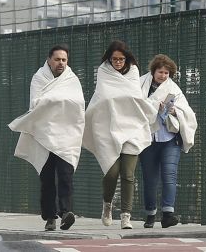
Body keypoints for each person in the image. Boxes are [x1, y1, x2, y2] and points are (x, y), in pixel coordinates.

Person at [8, 44, 85, 232]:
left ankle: (66, 212)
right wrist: (58, 101)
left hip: (66, 135)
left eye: (64, 60)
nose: (61, 63)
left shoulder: (72, 79)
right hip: (43, 135)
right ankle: (50, 216)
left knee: (66, 176)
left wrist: (53, 100)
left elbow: (78, 103)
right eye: (57, 59)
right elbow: (36, 103)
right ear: (49, 60)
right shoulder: (39, 78)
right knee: (47, 179)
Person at [82, 41, 158, 229]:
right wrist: (121, 99)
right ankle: (107, 205)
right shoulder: (103, 71)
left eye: (121, 59)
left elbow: (134, 98)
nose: (117, 62)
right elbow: (105, 96)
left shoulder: (133, 72)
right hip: (108, 129)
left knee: (128, 174)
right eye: (114, 59)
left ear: (127, 59)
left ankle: (126, 216)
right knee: (111, 173)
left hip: (132, 128)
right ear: (109, 59)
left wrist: (122, 99)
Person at [138, 54, 198, 228]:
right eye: (160, 72)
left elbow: (186, 111)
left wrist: (172, 111)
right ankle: (150, 215)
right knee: (149, 179)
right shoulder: (140, 84)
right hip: (147, 138)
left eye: (166, 73)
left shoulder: (174, 89)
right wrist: (152, 107)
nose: (163, 75)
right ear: (153, 71)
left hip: (169, 138)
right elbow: (134, 105)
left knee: (169, 176)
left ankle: (167, 215)